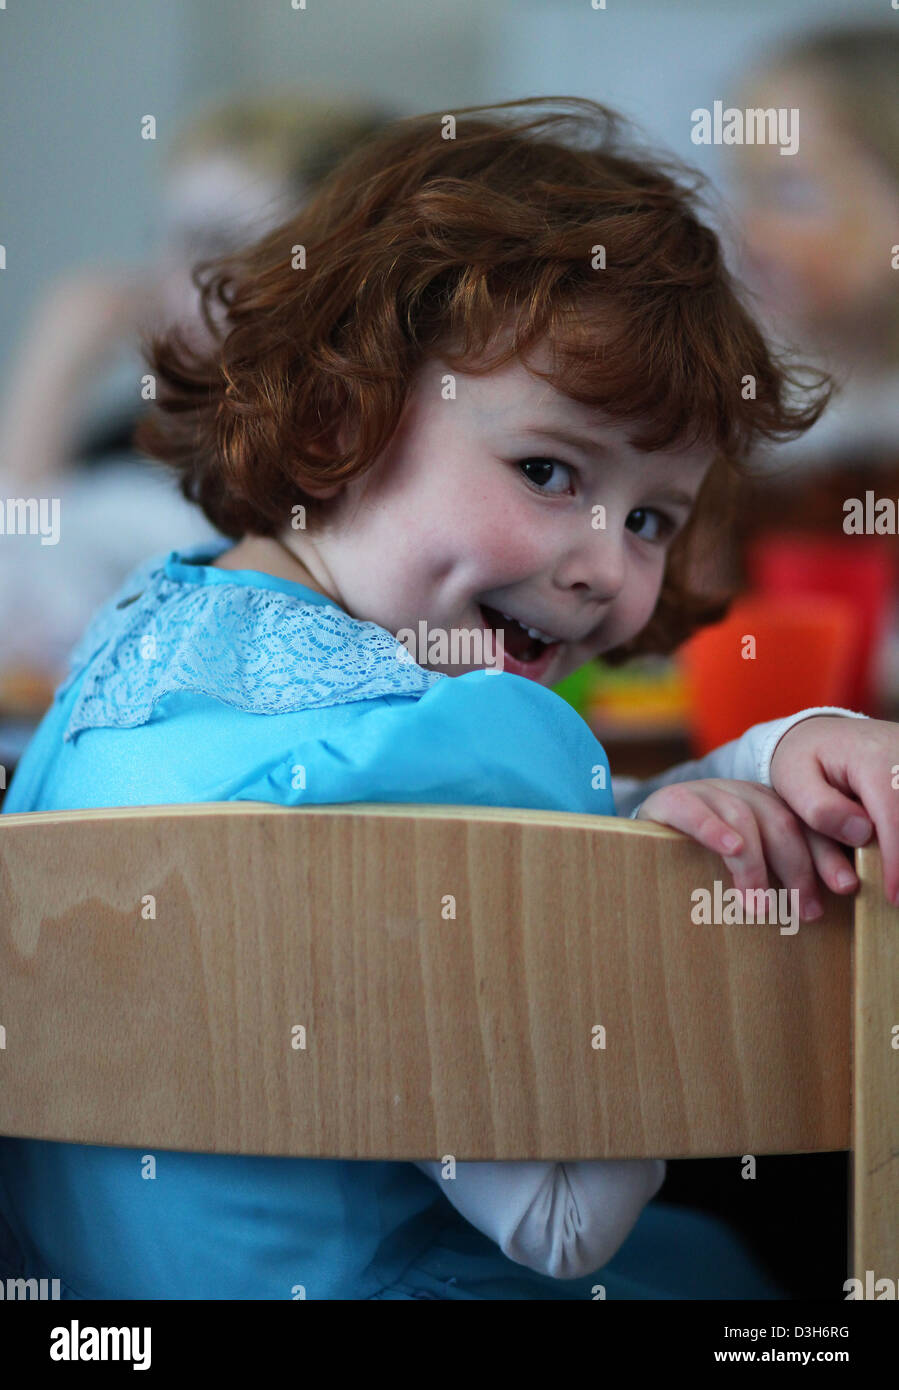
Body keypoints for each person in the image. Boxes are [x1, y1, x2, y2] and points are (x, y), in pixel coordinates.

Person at [0, 96, 890, 1301]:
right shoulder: (459, 739)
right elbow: (567, 1221)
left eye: (650, 518)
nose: (605, 569)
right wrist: (649, 908)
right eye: (546, 469)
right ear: (340, 410)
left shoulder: (144, 630)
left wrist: (745, 766)